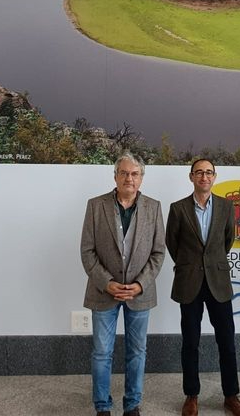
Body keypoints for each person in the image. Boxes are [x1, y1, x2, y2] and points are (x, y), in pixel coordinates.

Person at [80, 152, 166, 416]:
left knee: (137, 351)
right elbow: (87, 251)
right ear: (115, 176)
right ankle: (102, 406)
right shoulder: (96, 206)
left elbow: (158, 252)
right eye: (124, 173)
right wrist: (107, 283)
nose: (129, 178)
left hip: (140, 293)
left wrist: (140, 284)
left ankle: (132, 405)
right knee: (102, 352)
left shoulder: (154, 207)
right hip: (103, 292)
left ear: (141, 178)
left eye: (135, 174)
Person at [165, 159, 240, 416]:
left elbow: (227, 241)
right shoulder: (178, 208)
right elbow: (172, 243)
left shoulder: (226, 206)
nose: (204, 177)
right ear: (191, 177)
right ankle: (191, 396)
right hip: (189, 281)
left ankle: (231, 396)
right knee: (190, 342)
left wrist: (210, 263)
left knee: (227, 342)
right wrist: (191, 264)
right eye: (199, 172)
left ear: (215, 177)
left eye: (209, 173)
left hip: (218, 283)